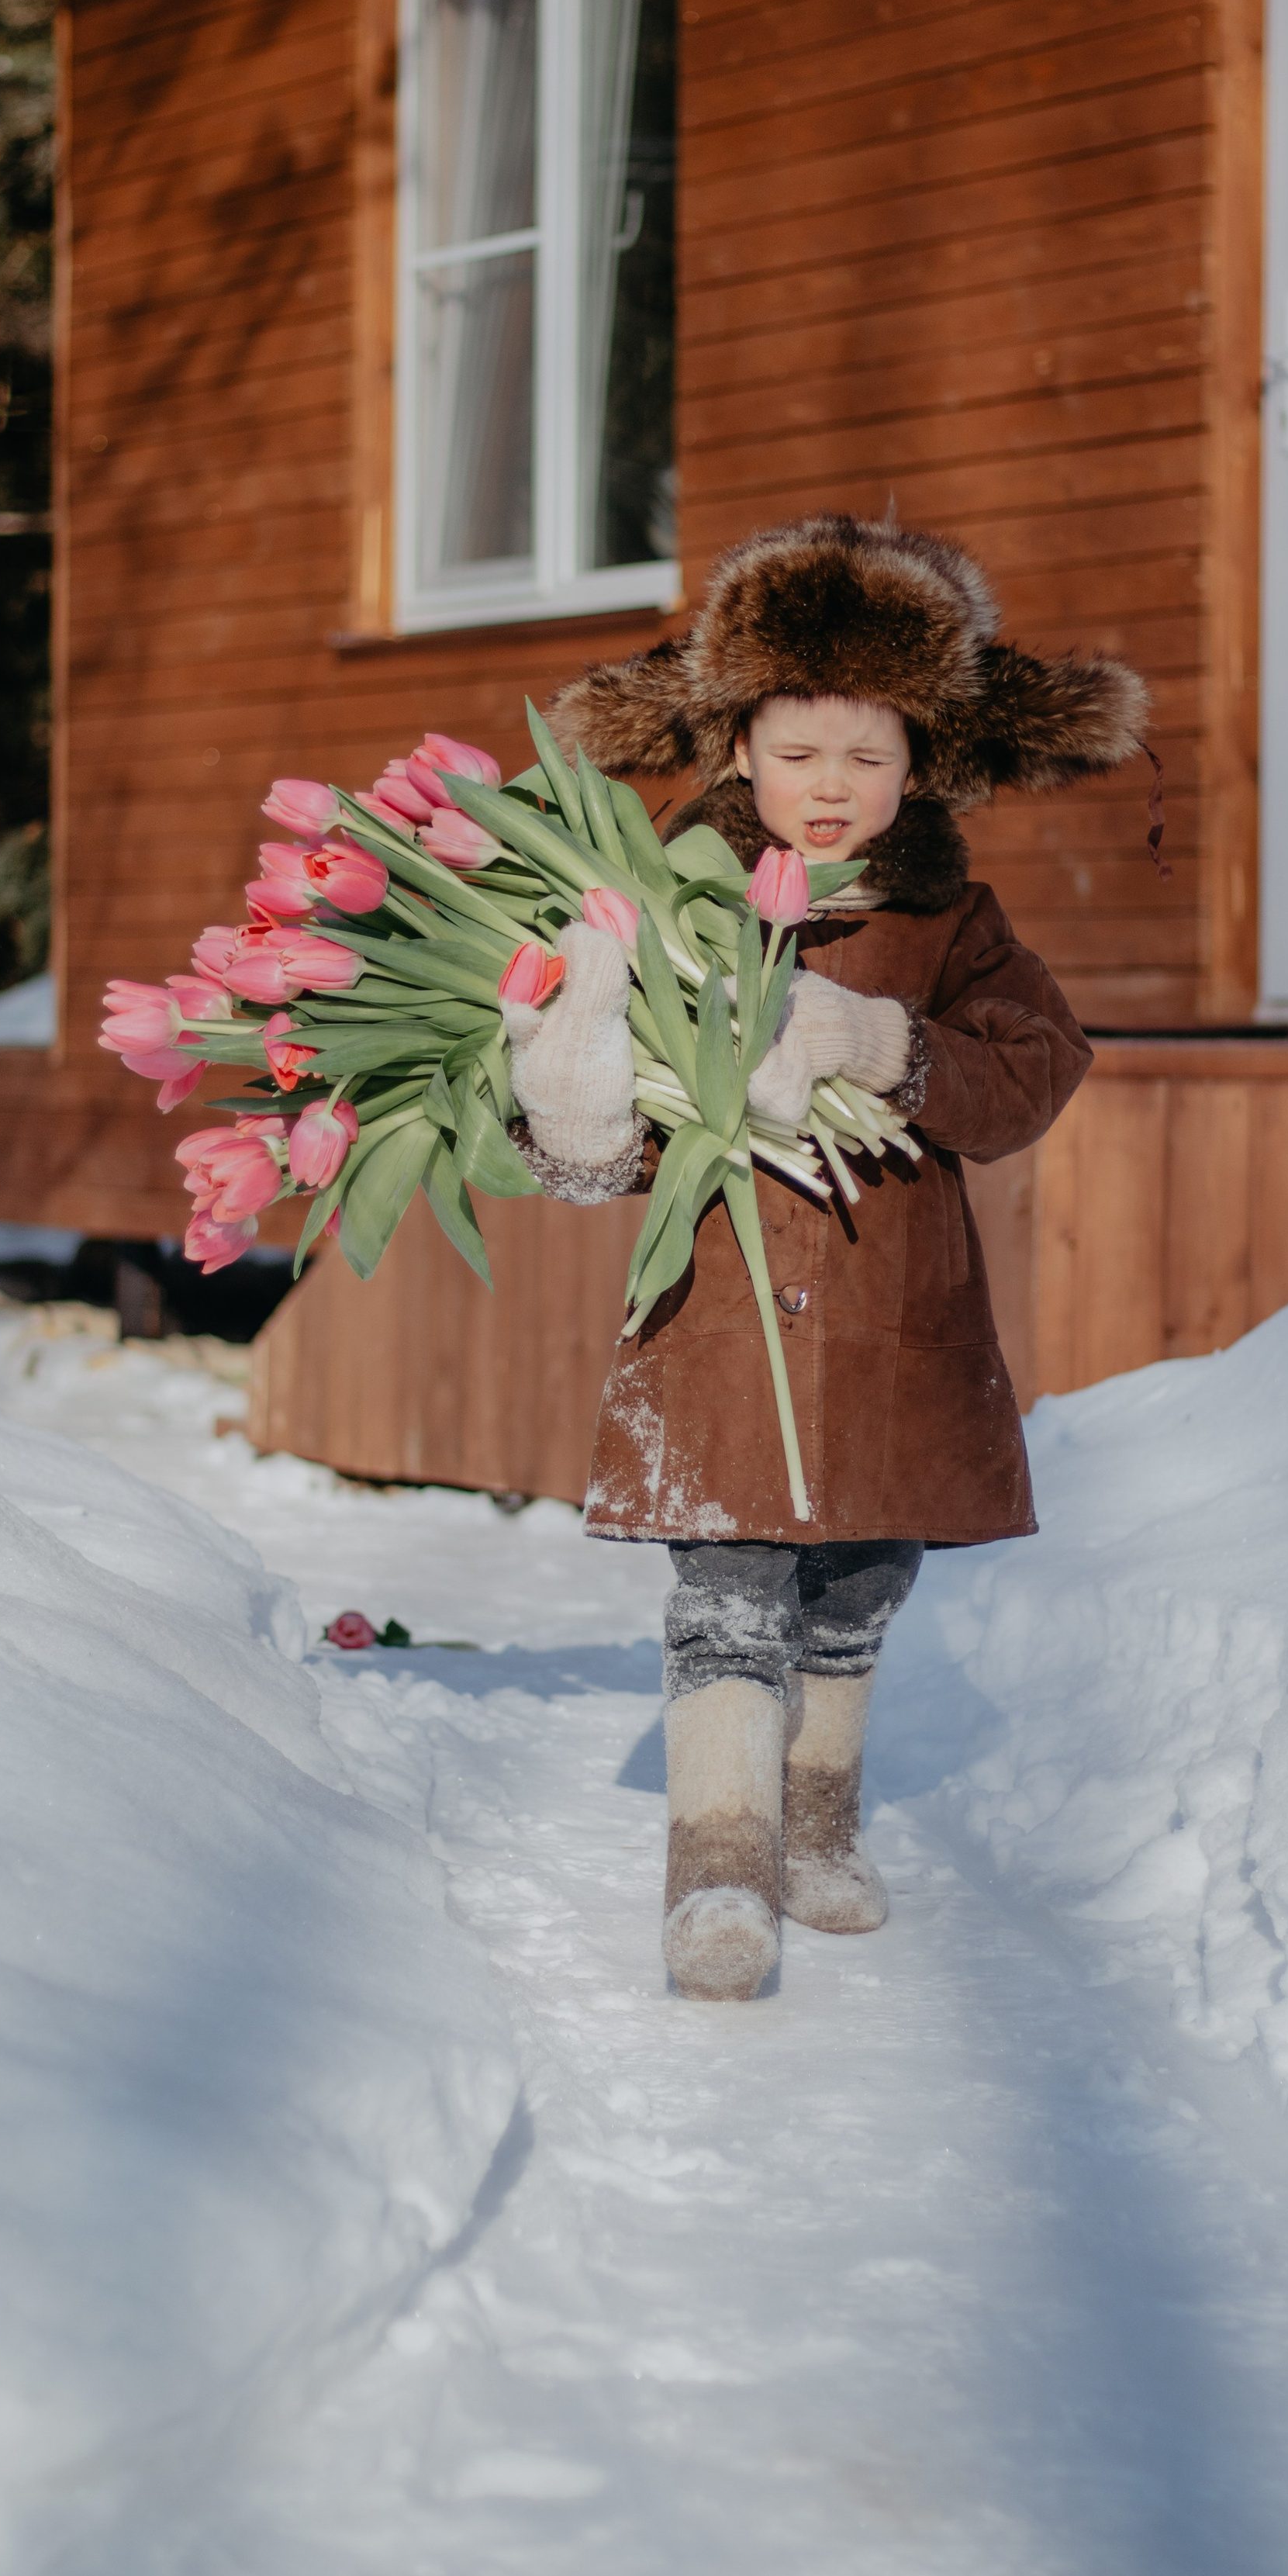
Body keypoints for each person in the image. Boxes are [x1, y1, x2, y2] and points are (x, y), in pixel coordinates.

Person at [501, 513, 1148, 2003]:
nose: (833, 787)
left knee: (857, 1579)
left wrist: (891, 1043)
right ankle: (717, 1871)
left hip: (892, 1316)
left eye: (868, 756)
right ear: (735, 749)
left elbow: (1040, 1063)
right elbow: (602, 1154)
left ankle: (815, 1823)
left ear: (919, 763)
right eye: (800, 754)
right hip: (722, 1313)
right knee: (728, 1589)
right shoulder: (662, 906)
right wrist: (583, 1097)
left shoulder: (950, 920)